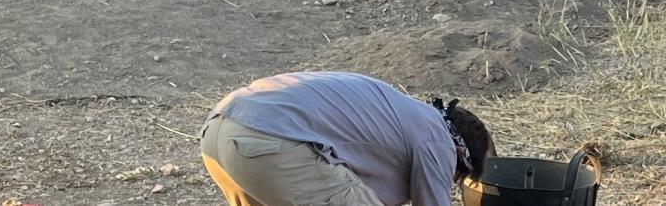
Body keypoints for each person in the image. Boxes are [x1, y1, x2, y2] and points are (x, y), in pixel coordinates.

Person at [198, 71, 496, 206]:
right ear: (460, 153)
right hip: (270, 141)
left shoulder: (401, 115)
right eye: (455, 175)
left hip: (219, 131)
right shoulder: (438, 138)